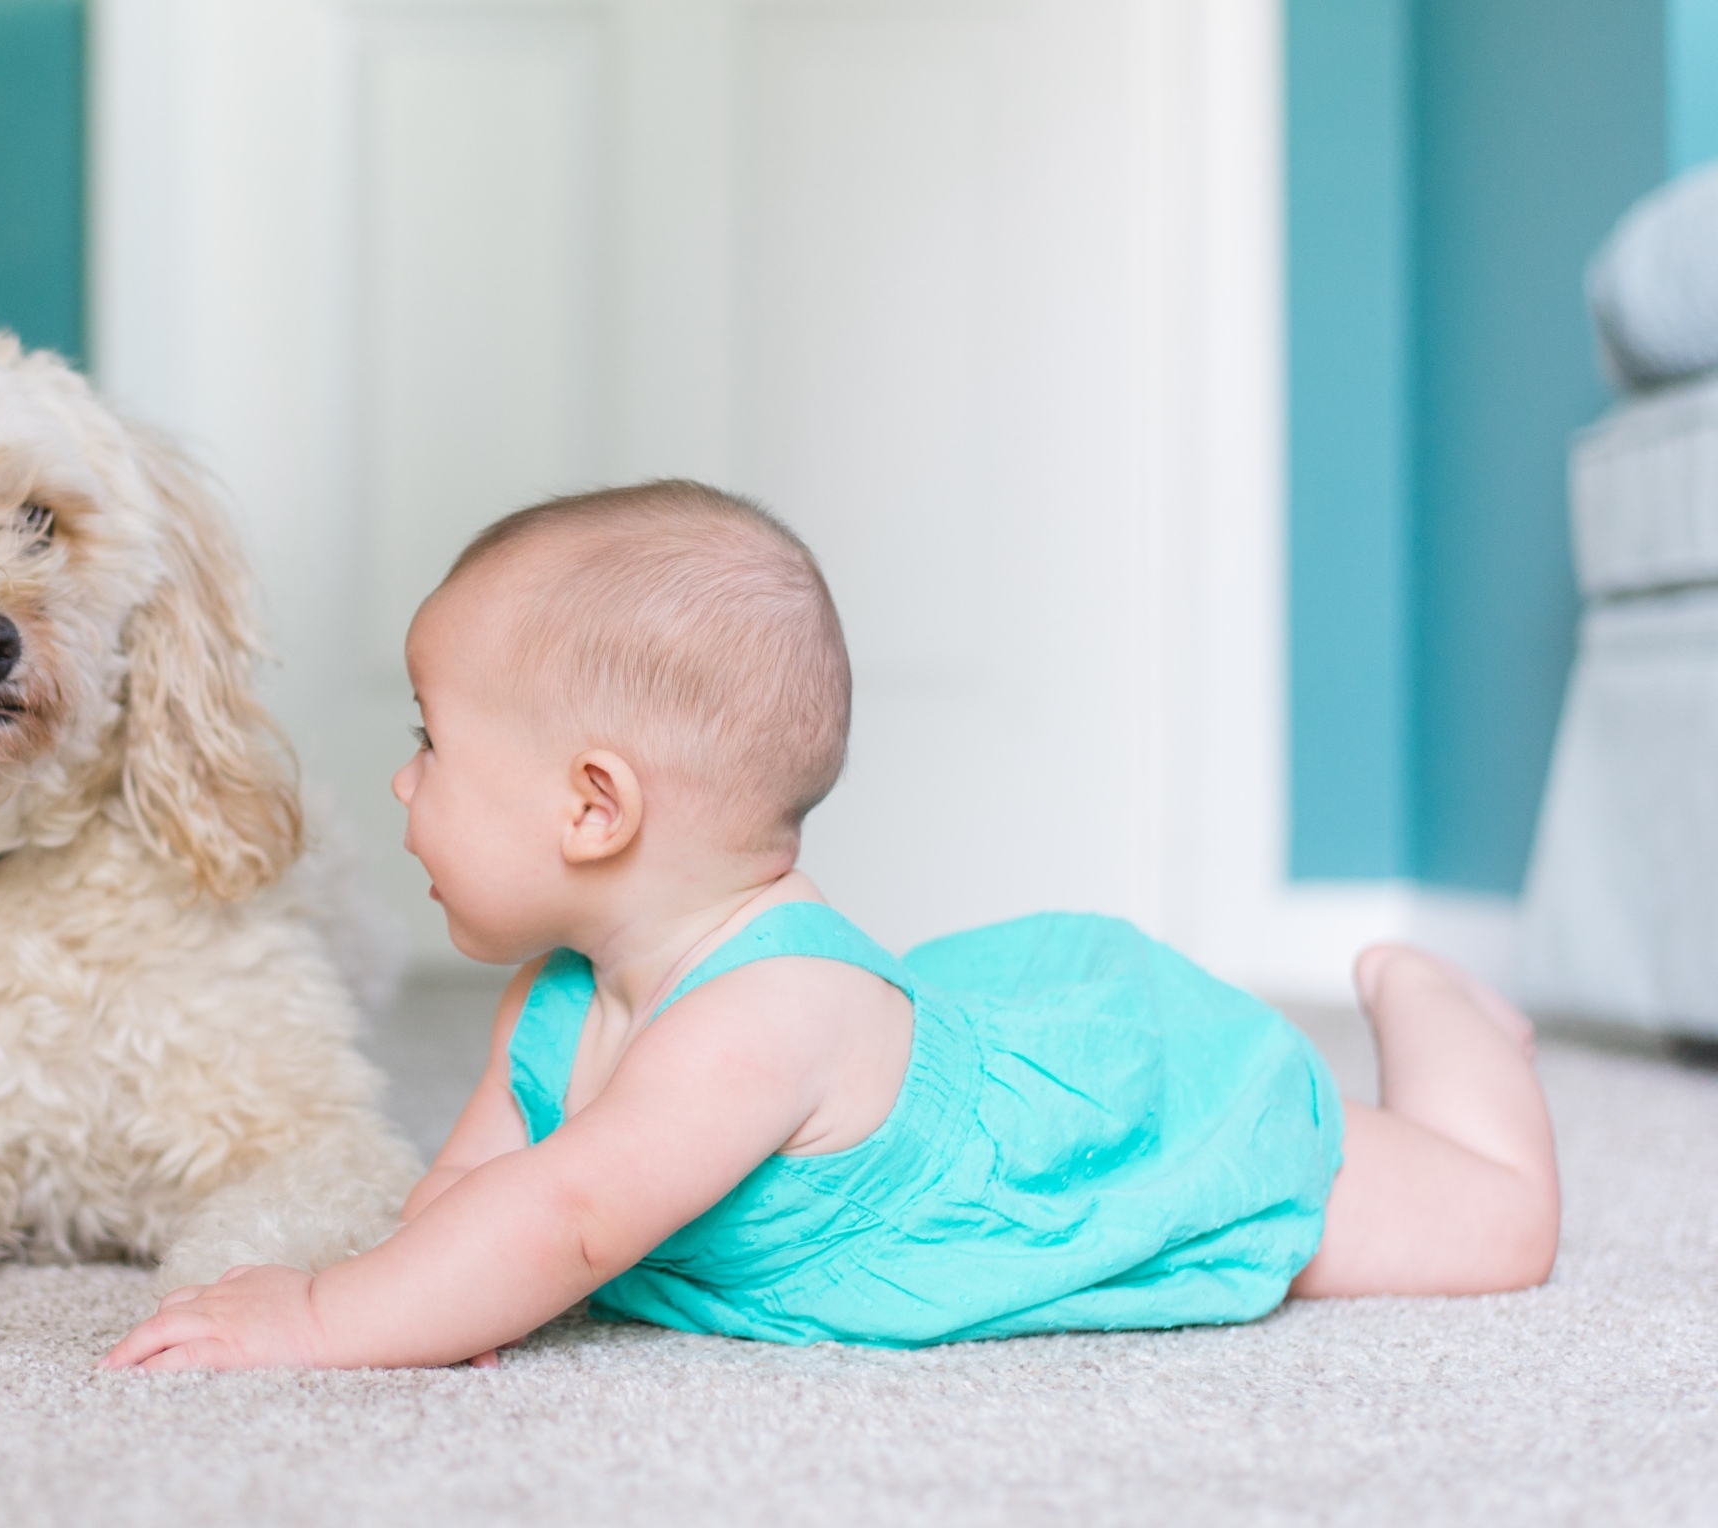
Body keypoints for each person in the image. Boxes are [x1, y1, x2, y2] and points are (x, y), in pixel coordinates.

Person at [101, 481, 1561, 1370]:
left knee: (1496, 1229)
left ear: (593, 808)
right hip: (950, 1038)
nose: (403, 783)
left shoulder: (758, 1023)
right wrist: (417, 1294)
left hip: (1116, 1120)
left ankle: (1437, 1009)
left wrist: (320, 1322)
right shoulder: (555, 1000)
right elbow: (479, 1198)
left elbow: (565, 1218)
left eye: (434, 746)